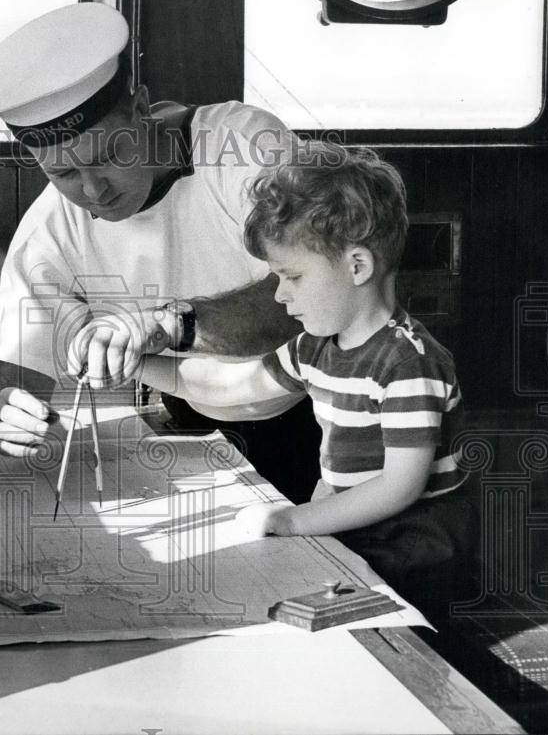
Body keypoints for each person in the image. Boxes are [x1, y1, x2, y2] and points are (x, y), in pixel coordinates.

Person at [0, 2, 321, 504]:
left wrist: (162, 324)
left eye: (109, 155)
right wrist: (4, 413)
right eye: (63, 173)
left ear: (140, 108)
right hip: (200, 428)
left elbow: (311, 290)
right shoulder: (53, 224)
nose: (93, 190)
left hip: (330, 410)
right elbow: (13, 371)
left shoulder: (241, 145)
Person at [136, 142, 478, 622]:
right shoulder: (316, 346)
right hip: (361, 534)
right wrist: (135, 364)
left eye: (291, 276)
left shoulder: (407, 364)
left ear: (357, 266)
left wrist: (294, 519)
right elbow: (227, 385)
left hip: (416, 549)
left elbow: (400, 486)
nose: (279, 294)